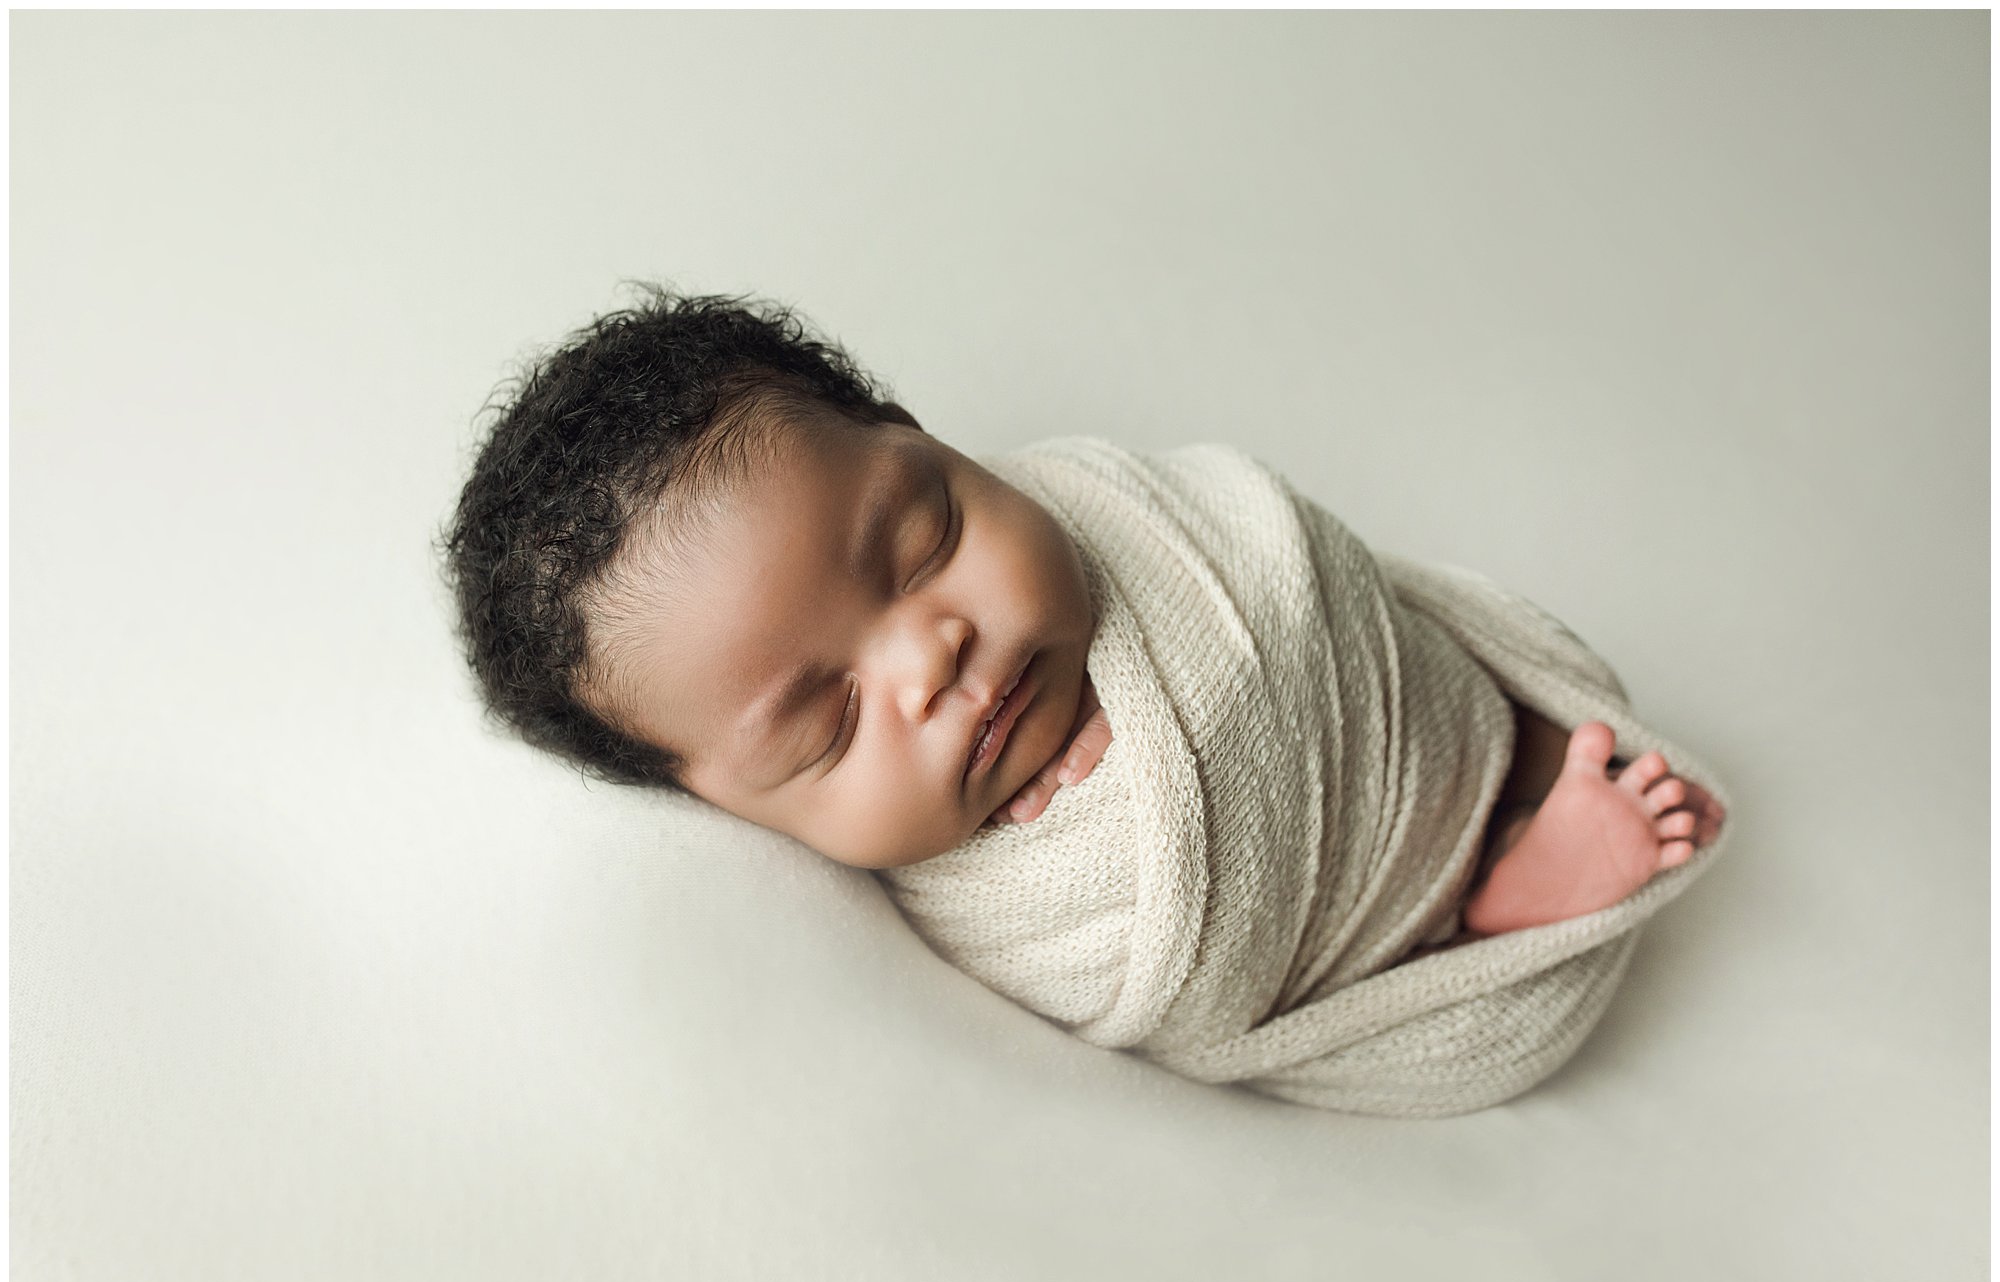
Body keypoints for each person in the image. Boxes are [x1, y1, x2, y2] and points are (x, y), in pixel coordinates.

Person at [441, 285, 1724, 946]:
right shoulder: (1011, 900)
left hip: (1378, 704)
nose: (929, 654)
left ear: (920, 435)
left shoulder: (1099, 503)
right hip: (1333, 912)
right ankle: (1467, 901)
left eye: (924, 537)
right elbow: (1179, 967)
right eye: (827, 723)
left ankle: (1495, 759)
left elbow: (1269, 563)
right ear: (722, 807)